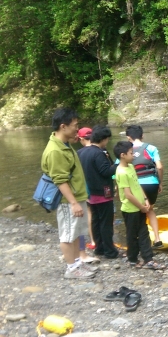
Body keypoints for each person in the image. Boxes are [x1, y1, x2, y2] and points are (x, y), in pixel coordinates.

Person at [41, 108, 95, 279]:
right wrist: (73, 202)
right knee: (67, 234)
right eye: (75, 125)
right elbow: (59, 179)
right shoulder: (55, 150)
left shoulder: (64, 144)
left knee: (76, 232)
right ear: (63, 126)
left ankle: (78, 264)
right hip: (67, 200)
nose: (77, 129)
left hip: (77, 196)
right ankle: (71, 269)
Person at [114, 141, 166, 270]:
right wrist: (141, 207)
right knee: (132, 235)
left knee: (143, 232)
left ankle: (148, 259)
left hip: (140, 206)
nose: (134, 156)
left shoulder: (131, 167)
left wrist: (145, 200)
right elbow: (128, 195)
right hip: (130, 209)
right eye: (131, 153)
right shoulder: (121, 172)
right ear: (122, 155)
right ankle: (132, 259)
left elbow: (137, 185)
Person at [78, 126, 123, 259]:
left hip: (89, 193)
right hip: (102, 193)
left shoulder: (81, 152)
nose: (107, 142)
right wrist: (117, 164)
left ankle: (99, 248)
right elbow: (106, 171)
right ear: (103, 139)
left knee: (96, 221)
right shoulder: (98, 153)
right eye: (107, 139)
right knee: (106, 223)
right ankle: (110, 251)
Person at [124, 125, 163, 248]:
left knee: (137, 212)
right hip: (152, 183)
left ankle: (138, 241)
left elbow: (118, 168)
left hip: (135, 185)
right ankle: (157, 239)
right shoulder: (151, 148)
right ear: (142, 135)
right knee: (150, 210)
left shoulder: (125, 151)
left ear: (128, 137)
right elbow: (160, 167)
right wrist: (160, 182)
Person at [75, 127, 97, 261]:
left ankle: (93, 241)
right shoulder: (99, 150)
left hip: (86, 187)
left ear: (81, 138)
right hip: (101, 187)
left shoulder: (78, 153)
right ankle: (108, 238)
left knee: (90, 213)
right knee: (105, 213)